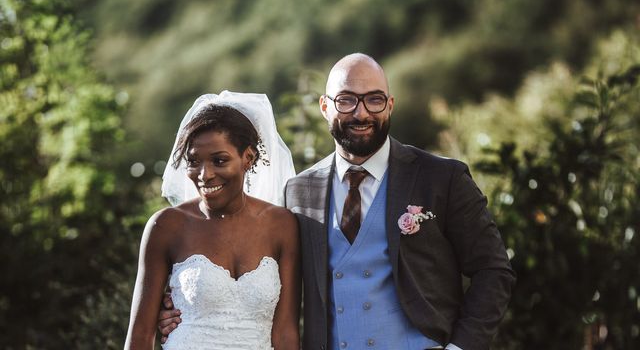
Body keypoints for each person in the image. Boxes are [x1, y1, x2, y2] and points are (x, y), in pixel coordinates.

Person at [159, 54, 515, 350]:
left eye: (374, 99)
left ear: (390, 105)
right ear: (325, 107)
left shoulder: (442, 178)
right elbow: (258, 277)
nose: (361, 114)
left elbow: (493, 270)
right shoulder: (297, 191)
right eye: (346, 100)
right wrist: (187, 307)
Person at [125, 92, 301, 350]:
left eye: (219, 161)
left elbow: (286, 332)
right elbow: (139, 336)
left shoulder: (281, 225)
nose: (205, 175)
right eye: (194, 162)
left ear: (248, 158)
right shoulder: (166, 226)